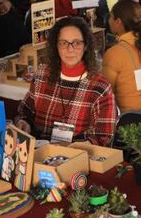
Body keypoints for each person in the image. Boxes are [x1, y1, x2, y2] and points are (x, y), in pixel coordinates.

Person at [14, 16, 117, 146]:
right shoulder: (42, 75)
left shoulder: (100, 87)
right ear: (55, 46)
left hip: (77, 159)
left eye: (76, 43)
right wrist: (23, 122)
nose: (70, 49)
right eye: (63, 43)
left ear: (86, 46)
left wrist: (84, 146)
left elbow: (104, 137)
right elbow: (24, 111)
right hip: (39, 153)